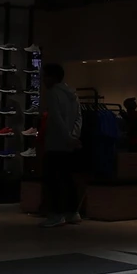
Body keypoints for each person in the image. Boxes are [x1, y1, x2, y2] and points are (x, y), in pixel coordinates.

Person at [39, 63, 82, 228]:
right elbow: (79, 117)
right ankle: (72, 212)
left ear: (52, 77)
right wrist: (74, 136)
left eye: (45, 76)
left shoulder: (52, 93)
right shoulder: (73, 93)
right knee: (68, 179)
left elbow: (56, 118)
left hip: (56, 143)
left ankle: (56, 214)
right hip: (69, 145)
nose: (43, 80)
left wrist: (67, 137)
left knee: (53, 180)